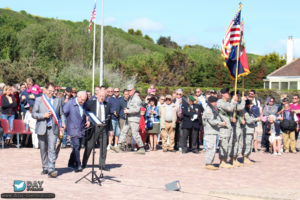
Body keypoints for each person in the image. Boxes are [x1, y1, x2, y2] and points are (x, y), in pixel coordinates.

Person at [32, 83, 66, 178]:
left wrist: (63, 123)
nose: (52, 92)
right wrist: (43, 115)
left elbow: (61, 114)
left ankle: (51, 169)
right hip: (42, 127)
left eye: (53, 91)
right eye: (50, 90)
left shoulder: (58, 100)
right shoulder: (39, 100)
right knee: (43, 149)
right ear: (46, 90)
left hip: (53, 128)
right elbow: (34, 114)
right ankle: (45, 167)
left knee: (52, 149)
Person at [82, 90, 112, 171]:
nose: (102, 98)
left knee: (103, 147)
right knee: (89, 146)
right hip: (94, 127)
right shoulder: (91, 103)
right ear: (97, 96)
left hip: (103, 127)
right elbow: (85, 111)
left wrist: (110, 129)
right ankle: (84, 163)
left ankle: (102, 165)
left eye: (103, 96)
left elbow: (109, 118)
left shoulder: (107, 105)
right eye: (100, 96)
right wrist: (87, 119)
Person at [111, 84, 146, 154]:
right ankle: (119, 146)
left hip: (134, 119)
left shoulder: (137, 99)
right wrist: (127, 109)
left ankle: (142, 148)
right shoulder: (131, 98)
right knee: (123, 131)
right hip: (128, 118)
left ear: (133, 90)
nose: (129, 92)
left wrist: (128, 111)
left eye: (130, 90)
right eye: (128, 90)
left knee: (135, 134)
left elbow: (137, 109)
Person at [63, 91, 90, 172]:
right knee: (77, 146)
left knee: (76, 147)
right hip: (73, 128)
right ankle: (78, 165)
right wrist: (65, 123)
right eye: (82, 100)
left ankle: (70, 163)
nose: (83, 102)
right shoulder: (70, 103)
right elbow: (63, 113)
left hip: (81, 128)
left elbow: (87, 113)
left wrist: (88, 121)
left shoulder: (84, 104)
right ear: (78, 97)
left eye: (85, 100)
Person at [203, 96, 226, 170]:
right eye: (215, 102)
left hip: (214, 132)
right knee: (210, 148)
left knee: (213, 148)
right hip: (210, 133)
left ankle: (210, 162)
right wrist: (221, 123)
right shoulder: (208, 110)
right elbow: (212, 121)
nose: (216, 103)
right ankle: (208, 163)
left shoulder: (213, 109)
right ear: (211, 102)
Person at [217, 88, 238, 168]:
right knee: (224, 143)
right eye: (226, 93)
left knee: (228, 144)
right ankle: (222, 161)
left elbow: (230, 111)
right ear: (222, 94)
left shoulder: (227, 102)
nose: (228, 94)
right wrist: (233, 101)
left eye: (228, 93)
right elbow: (229, 108)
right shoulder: (220, 102)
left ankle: (225, 160)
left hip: (228, 125)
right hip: (224, 126)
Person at [230, 91, 246, 167]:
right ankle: (232, 158)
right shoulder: (232, 103)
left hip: (239, 125)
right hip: (234, 125)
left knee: (239, 142)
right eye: (237, 95)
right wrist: (243, 100)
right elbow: (240, 108)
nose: (239, 97)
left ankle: (235, 158)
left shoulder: (237, 103)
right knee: (235, 142)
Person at [243, 100, 261, 164]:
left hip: (251, 129)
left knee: (250, 145)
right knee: (247, 145)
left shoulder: (249, 111)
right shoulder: (245, 111)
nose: (251, 106)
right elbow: (248, 120)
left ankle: (247, 157)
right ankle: (245, 157)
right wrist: (257, 119)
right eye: (250, 104)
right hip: (247, 130)